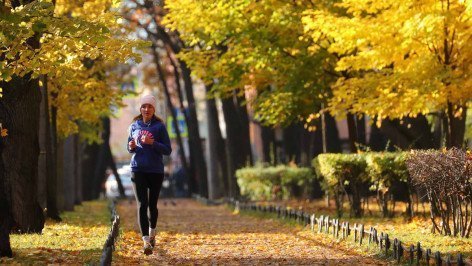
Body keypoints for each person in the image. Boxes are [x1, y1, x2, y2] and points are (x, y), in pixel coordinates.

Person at [127, 94, 172, 255]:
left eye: (150, 107)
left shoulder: (159, 127)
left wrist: (153, 143)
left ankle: (152, 231)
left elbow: (168, 149)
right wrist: (131, 146)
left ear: (154, 109)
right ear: (140, 108)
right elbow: (130, 147)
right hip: (137, 169)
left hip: (155, 170)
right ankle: (146, 241)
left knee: (152, 205)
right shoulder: (134, 126)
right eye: (144, 106)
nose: (146, 109)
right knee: (141, 205)